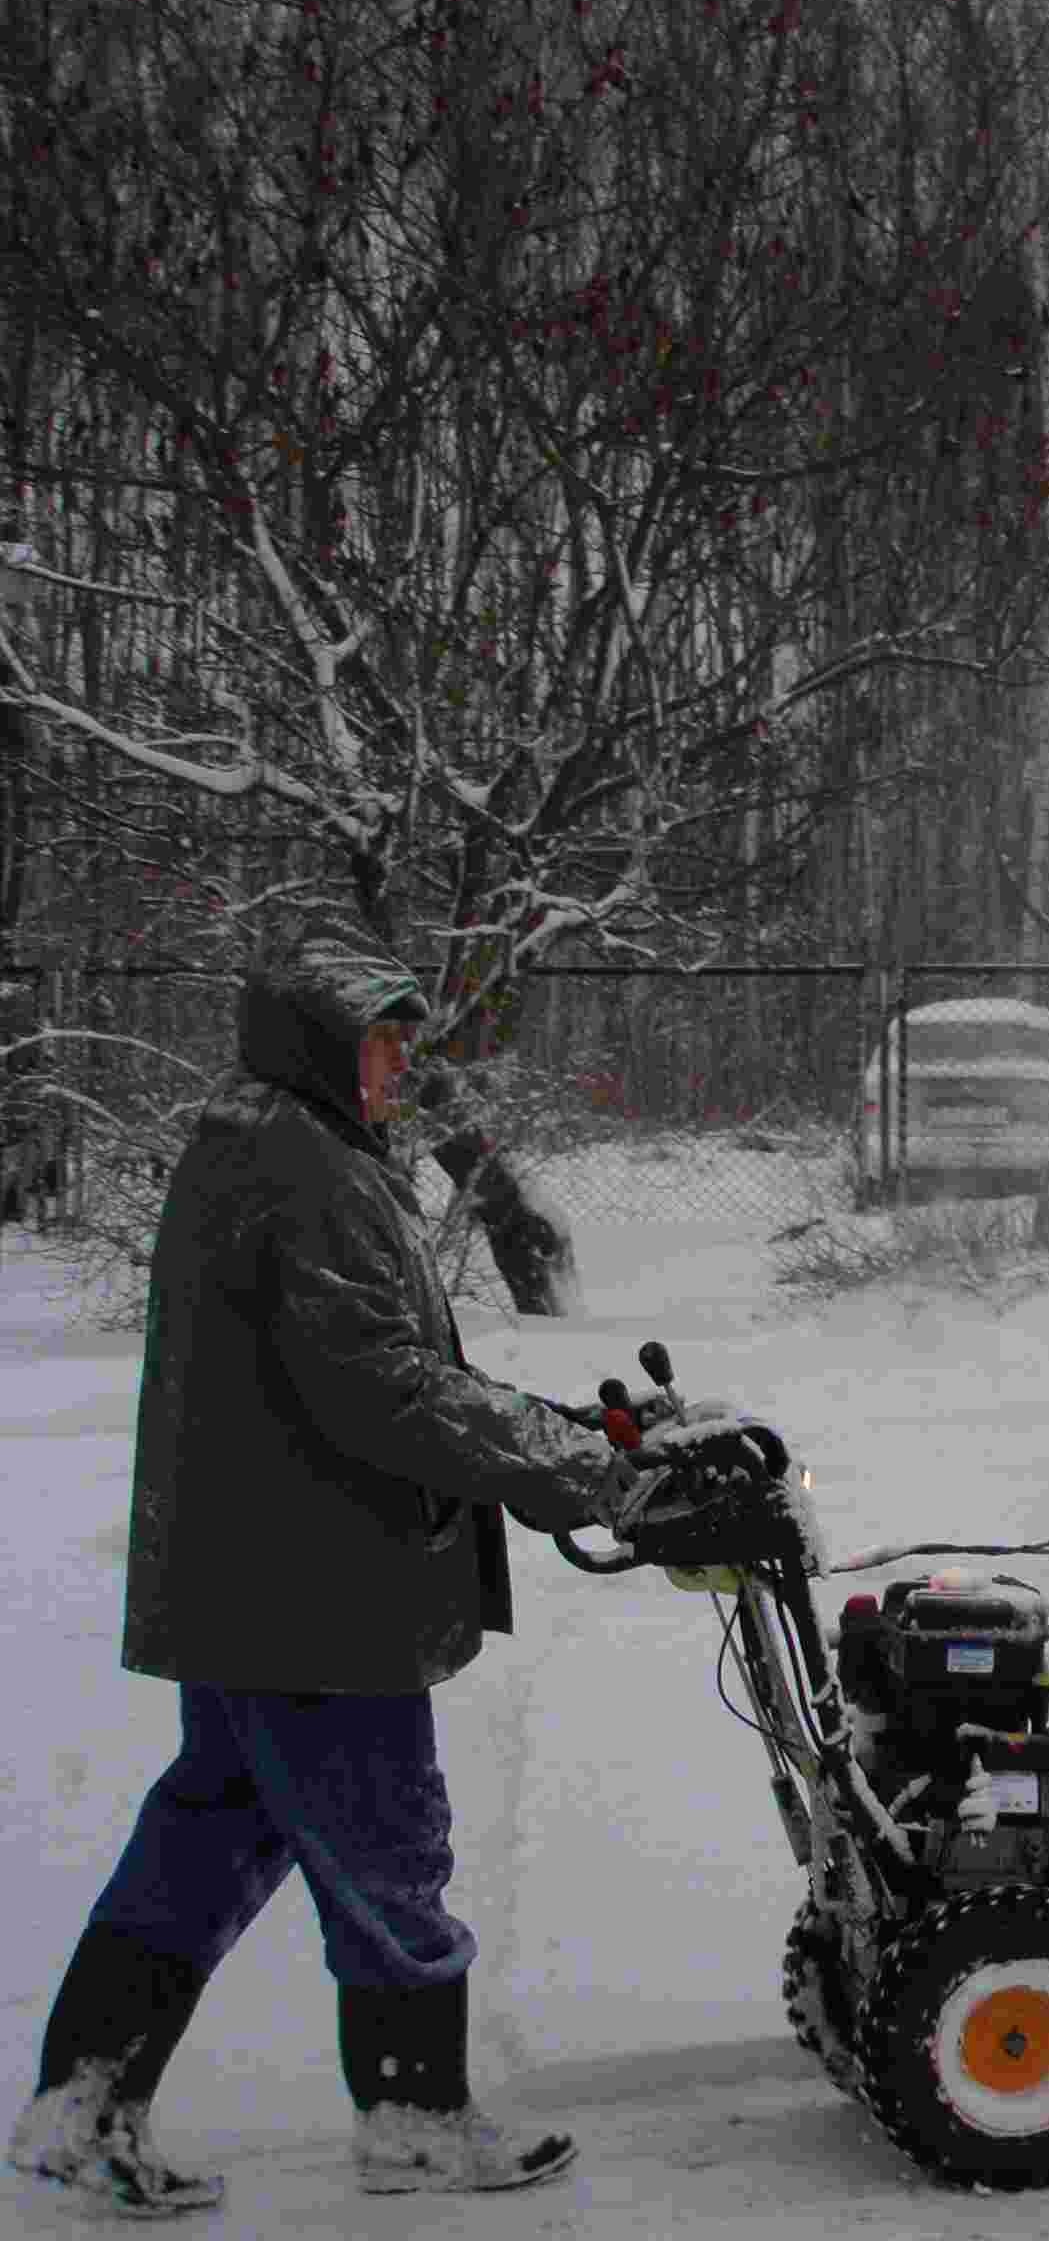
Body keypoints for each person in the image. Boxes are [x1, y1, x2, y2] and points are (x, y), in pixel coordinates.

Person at [6, 940, 643, 2216]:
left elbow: (367, 1366)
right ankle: (413, 2116)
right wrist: (577, 1466)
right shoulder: (302, 1168)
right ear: (319, 1042)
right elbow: (380, 1384)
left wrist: (559, 1434)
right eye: (385, 1038)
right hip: (317, 1590)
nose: (406, 1061)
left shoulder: (266, 1143)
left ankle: (84, 2101)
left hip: (259, 1579)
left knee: (209, 1839)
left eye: (410, 1038)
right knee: (389, 1843)